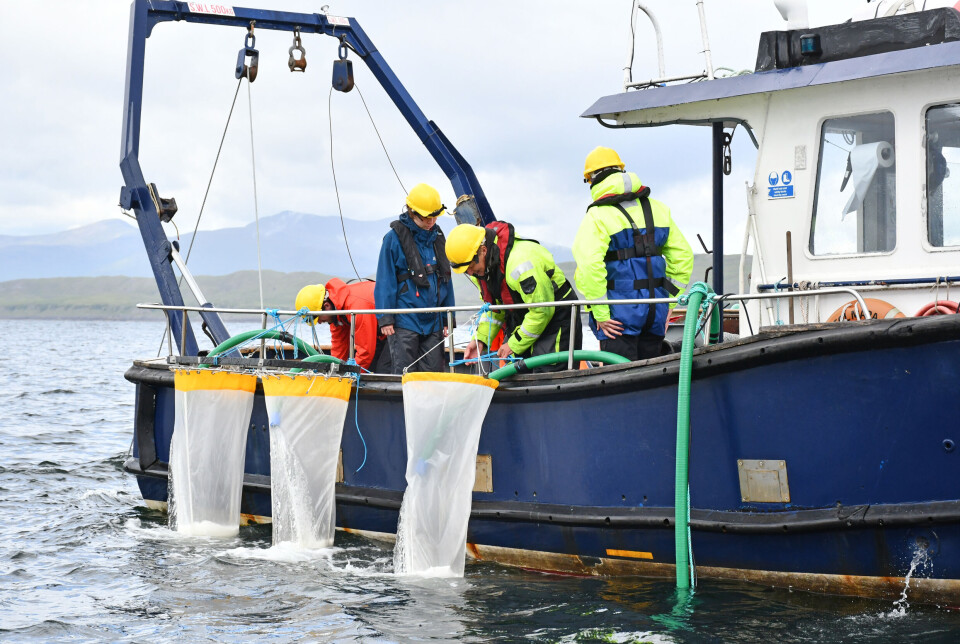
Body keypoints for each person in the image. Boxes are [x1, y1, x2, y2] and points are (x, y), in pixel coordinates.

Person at [573, 146, 694, 361]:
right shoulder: (659, 208)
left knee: (621, 380)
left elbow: (590, 266)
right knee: (653, 377)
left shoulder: (597, 216)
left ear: (591, 178)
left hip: (617, 320)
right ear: (620, 170)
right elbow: (683, 256)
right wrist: (669, 303)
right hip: (655, 313)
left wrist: (601, 314)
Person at [445, 221, 581, 373]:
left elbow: (542, 311)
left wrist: (513, 344)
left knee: (548, 370)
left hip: (555, 315)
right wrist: (480, 340)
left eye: (470, 267)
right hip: (521, 316)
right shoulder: (480, 271)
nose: (470, 273)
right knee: (515, 371)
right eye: (465, 271)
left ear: (483, 250)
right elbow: (495, 309)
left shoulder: (520, 264)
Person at [374, 183, 455, 373]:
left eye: (435, 216)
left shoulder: (437, 237)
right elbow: (385, 280)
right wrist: (385, 318)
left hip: (434, 323)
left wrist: (447, 318)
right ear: (412, 212)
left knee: (434, 376)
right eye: (426, 217)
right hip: (405, 322)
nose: (431, 221)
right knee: (404, 375)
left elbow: (445, 279)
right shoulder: (393, 239)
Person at [295, 279, 392, 373]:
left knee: (384, 369)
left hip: (399, 325)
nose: (319, 322)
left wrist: (350, 376)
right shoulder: (336, 313)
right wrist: (335, 373)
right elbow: (339, 349)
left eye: (318, 318)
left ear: (327, 306)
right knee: (368, 370)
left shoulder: (356, 307)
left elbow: (366, 351)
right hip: (382, 333)